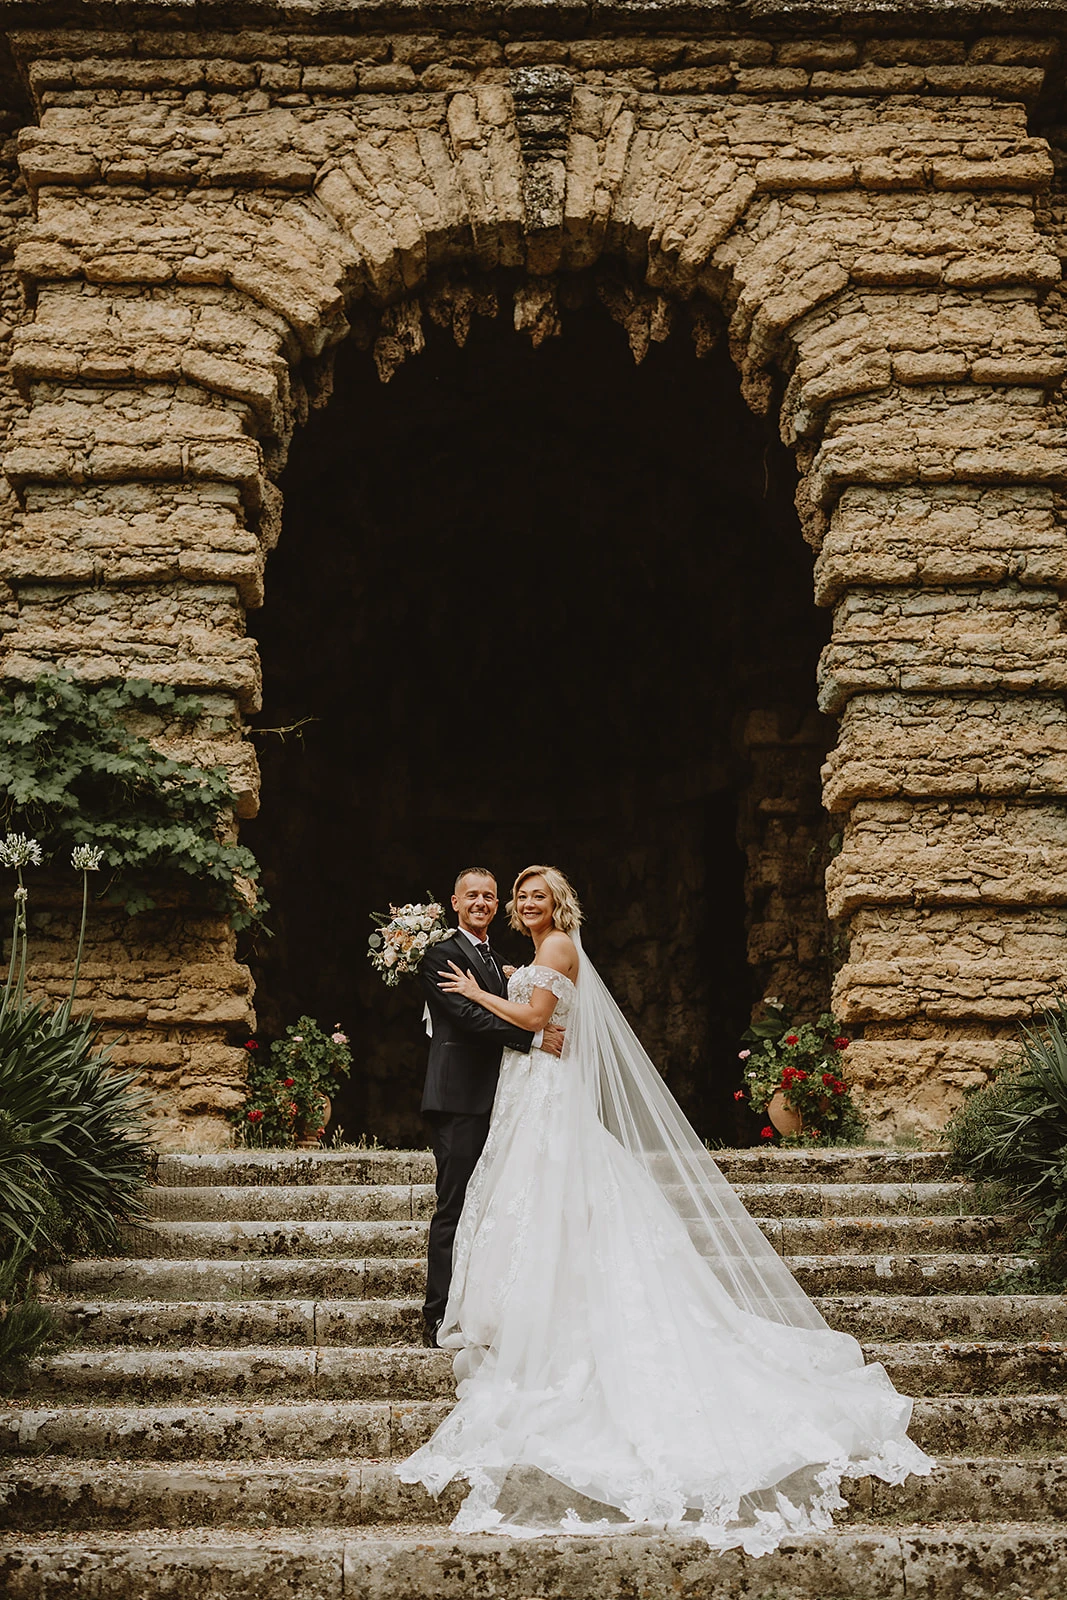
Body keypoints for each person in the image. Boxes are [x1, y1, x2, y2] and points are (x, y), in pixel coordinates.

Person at [398, 864, 934, 1552]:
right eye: (518, 895)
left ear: (556, 903)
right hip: (522, 1091)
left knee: (549, 1190)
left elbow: (534, 1017)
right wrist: (490, 994)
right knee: (517, 1196)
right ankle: (502, 1303)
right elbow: (518, 1018)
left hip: (543, 1090)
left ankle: (537, 1308)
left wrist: (485, 994)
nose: (524, 903)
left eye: (535, 895)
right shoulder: (520, 956)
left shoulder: (555, 948)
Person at [418, 866, 564, 1347]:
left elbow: (513, 1000)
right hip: (459, 1098)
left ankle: (482, 1307)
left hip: (506, 1101)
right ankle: (437, 1316)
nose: (481, 902)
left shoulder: (501, 960)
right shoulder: (439, 956)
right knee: (455, 1205)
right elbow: (464, 1017)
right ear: (454, 902)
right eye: (471, 895)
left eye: (489, 896)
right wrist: (535, 1037)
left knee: (495, 1204)